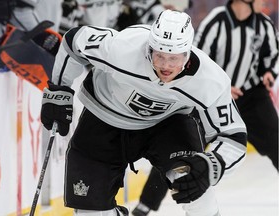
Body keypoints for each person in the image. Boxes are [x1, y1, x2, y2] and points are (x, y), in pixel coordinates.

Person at [40, 10, 247, 216]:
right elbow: (74, 41)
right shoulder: (123, 47)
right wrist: (59, 90)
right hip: (104, 117)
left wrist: (211, 165)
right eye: (159, 56)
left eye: (174, 58)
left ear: (188, 53)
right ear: (149, 48)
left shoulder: (210, 80)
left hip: (168, 124)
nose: (165, 66)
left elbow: (234, 137)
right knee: (90, 213)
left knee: (194, 185)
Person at [194, 0, 279, 170]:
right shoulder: (215, 21)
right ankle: (148, 198)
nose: (264, 2)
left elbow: (271, 55)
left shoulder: (263, 24)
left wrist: (268, 72)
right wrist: (219, 88)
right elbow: (197, 62)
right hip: (213, 99)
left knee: (276, 144)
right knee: (183, 146)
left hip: (251, 96)